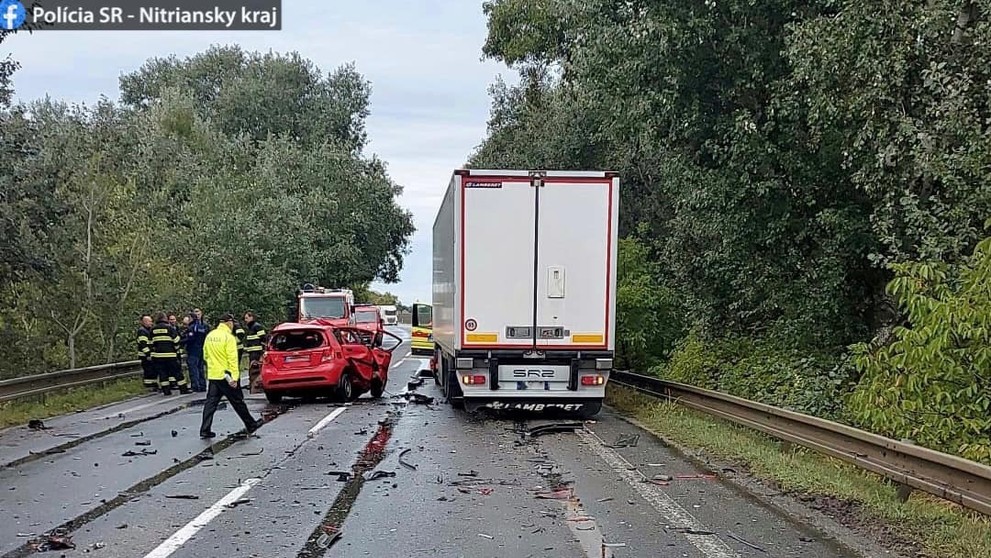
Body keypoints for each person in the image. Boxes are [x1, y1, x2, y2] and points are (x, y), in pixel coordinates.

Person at [199, 314, 264, 439]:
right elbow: (232, 359)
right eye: (232, 323)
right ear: (228, 323)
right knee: (237, 401)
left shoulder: (210, 335)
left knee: (210, 403)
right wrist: (234, 378)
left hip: (214, 375)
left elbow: (205, 356)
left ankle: (205, 429)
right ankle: (251, 424)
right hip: (226, 376)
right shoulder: (229, 338)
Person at [150, 312, 191, 395]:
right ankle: (183, 389)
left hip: (158, 356)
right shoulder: (169, 328)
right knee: (177, 372)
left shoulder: (153, 329)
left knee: (163, 374)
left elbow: (150, 343)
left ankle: (166, 391)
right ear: (165, 318)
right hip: (170, 355)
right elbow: (176, 340)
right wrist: (176, 349)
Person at [185, 308, 209, 393]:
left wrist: (181, 341)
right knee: (200, 368)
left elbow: (190, 338)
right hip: (201, 349)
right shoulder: (203, 326)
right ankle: (202, 385)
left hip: (193, 350)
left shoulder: (192, 327)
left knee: (193, 368)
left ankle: (195, 386)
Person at [136, 315, 157, 392]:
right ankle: (149, 386)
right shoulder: (142, 331)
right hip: (145, 355)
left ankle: (154, 385)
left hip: (150, 354)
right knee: (148, 371)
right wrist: (148, 354)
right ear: (144, 322)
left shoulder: (148, 330)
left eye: (151, 321)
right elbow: (143, 345)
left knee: (152, 370)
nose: (151, 323)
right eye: (149, 321)